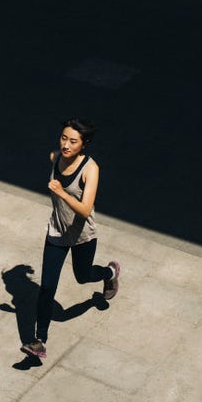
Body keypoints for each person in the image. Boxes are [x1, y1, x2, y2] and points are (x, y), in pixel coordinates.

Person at [21, 118, 120, 359]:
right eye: (64, 138)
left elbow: (86, 210)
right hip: (56, 232)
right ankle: (39, 341)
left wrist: (61, 193)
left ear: (84, 144)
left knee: (82, 276)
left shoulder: (90, 169)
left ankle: (109, 274)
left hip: (82, 236)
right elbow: (54, 154)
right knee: (47, 288)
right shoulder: (56, 156)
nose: (66, 145)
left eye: (73, 141)